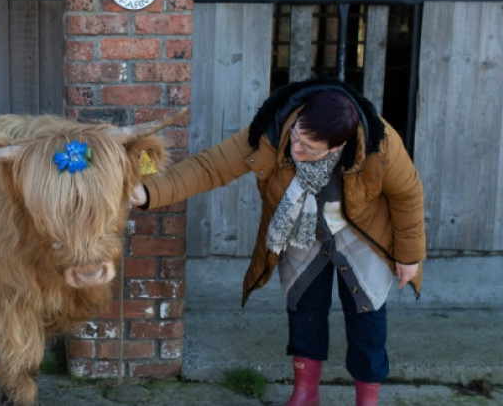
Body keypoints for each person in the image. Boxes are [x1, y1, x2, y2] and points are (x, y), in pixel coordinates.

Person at [132, 77, 425, 406]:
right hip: (301, 228)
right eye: (297, 136)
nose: (296, 149)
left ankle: (367, 400)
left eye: (309, 148)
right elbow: (210, 167)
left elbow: (408, 195)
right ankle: (305, 392)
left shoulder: (380, 143)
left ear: (338, 147)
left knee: (367, 316)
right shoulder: (272, 132)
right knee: (303, 308)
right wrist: (148, 193)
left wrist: (409, 256)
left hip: (362, 233)